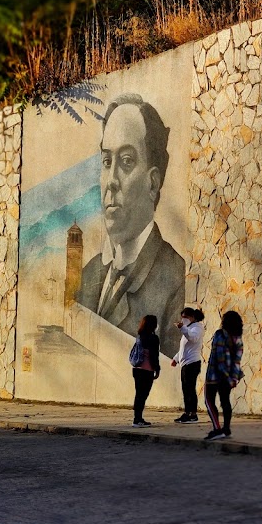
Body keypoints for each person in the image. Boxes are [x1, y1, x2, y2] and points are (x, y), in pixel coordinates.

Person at [76, 94, 185, 358]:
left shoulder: (175, 279)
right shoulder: (89, 274)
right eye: (106, 162)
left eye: (126, 161)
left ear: (152, 183)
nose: (110, 181)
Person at [204, 311, 244, 441]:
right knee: (225, 401)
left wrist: (225, 375)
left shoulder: (220, 335)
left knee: (209, 401)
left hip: (214, 375)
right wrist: (232, 378)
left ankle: (217, 429)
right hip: (228, 378)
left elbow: (220, 357)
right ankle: (226, 428)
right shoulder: (238, 339)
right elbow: (237, 361)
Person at [171, 307, 205, 424]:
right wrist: (176, 358)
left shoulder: (197, 328)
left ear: (193, 317)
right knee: (186, 389)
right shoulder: (188, 328)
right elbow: (184, 347)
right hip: (185, 363)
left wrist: (183, 328)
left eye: (186, 317)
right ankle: (187, 412)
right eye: (182, 317)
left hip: (192, 363)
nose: (183, 319)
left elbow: (193, 338)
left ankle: (193, 414)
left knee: (190, 388)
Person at [131, 315, 161, 427]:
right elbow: (154, 355)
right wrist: (157, 369)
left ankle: (137, 417)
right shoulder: (153, 338)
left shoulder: (140, 336)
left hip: (137, 369)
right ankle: (138, 419)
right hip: (147, 370)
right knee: (143, 395)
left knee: (138, 394)